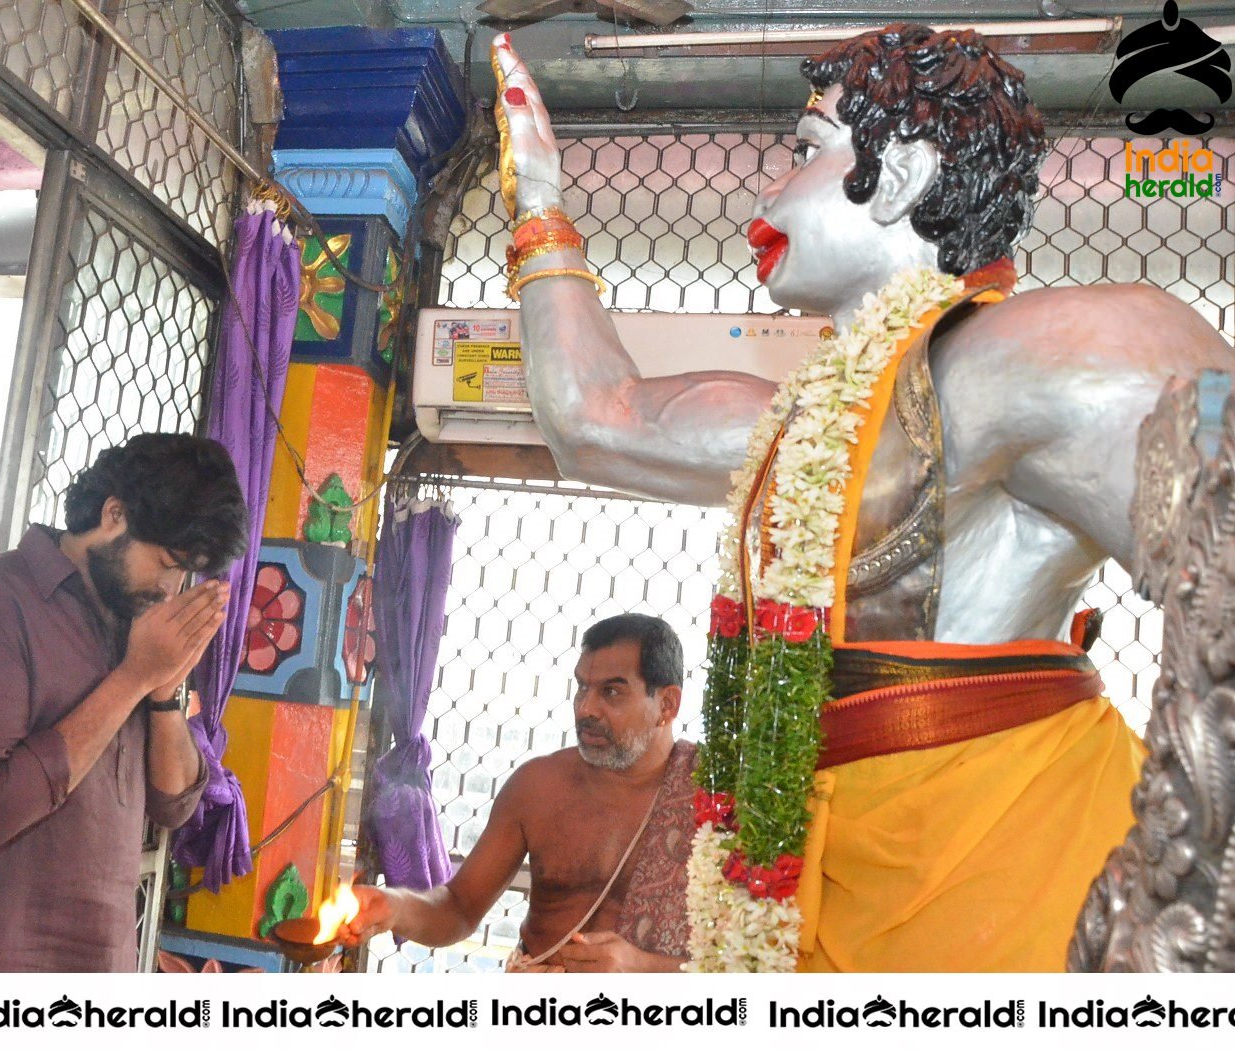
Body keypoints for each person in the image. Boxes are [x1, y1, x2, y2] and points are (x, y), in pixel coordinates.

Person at [492, 25, 1232, 972]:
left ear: (903, 173)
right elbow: (593, 420)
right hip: (817, 880)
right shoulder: (800, 421)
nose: (766, 191)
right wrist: (541, 198)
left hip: (1007, 876)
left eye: (804, 151)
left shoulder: (1048, 353)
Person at [0, 433, 247, 971]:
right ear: (113, 515)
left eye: (186, 572)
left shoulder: (135, 622)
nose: (171, 588)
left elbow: (174, 806)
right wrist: (133, 677)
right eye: (165, 562)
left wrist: (161, 690)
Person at [345, 614, 697, 973]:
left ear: (667, 705)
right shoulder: (539, 787)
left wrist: (641, 969)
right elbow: (460, 907)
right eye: (582, 688)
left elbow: (749, 959)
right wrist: (395, 907)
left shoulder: (713, 802)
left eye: (611, 692)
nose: (586, 709)